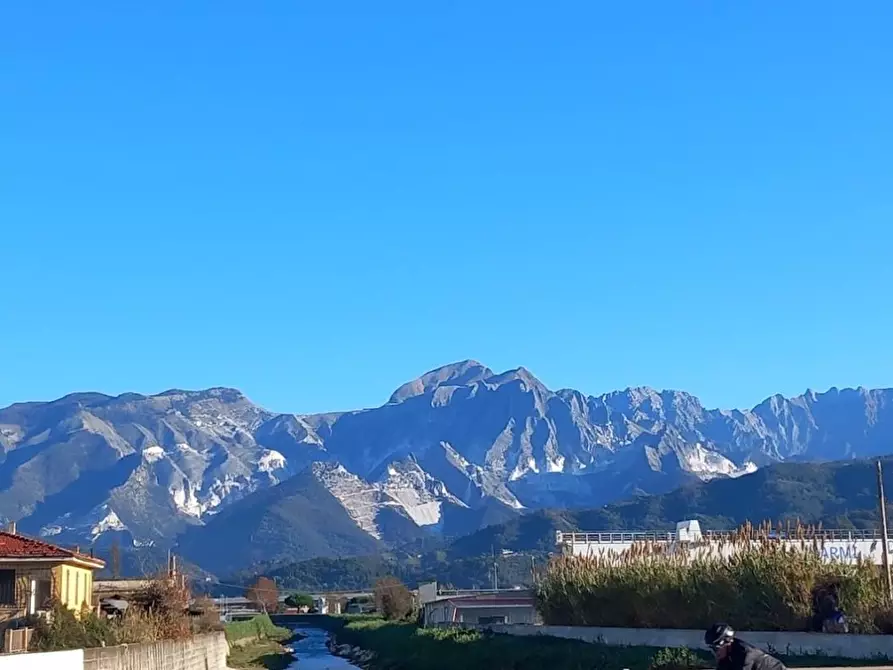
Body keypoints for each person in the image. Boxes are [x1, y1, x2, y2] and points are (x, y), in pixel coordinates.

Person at [704, 623, 787, 670]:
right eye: (712, 648)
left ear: (728, 643)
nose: (715, 653)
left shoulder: (745, 656)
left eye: (717, 648)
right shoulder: (726, 657)